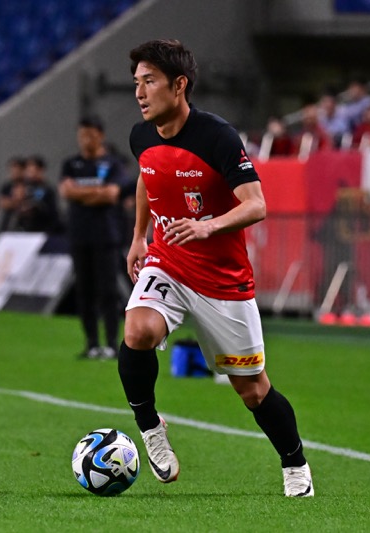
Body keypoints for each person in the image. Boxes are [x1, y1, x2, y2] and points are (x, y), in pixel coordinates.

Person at [119, 39, 313, 497]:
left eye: (149, 82)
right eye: (136, 83)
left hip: (222, 283)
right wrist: (138, 237)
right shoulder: (140, 136)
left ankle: (295, 465)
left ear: (179, 85)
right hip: (167, 263)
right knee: (137, 331)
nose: (140, 93)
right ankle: (150, 427)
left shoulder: (217, 137)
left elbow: (257, 205)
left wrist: (209, 228)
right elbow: (148, 180)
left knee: (253, 390)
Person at [59, 116, 130, 359]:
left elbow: (111, 195)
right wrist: (95, 193)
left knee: (108, 291)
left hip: (106, 236)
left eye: (89, 135)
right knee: (84, 291)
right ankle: (91, 343)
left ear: (100, 135)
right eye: (81, 135)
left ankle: (111, 343)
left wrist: (80, 194)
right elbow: (65, 191)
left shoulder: (113, 164)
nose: (84, 140)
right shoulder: (71, 164)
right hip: (79, 236)